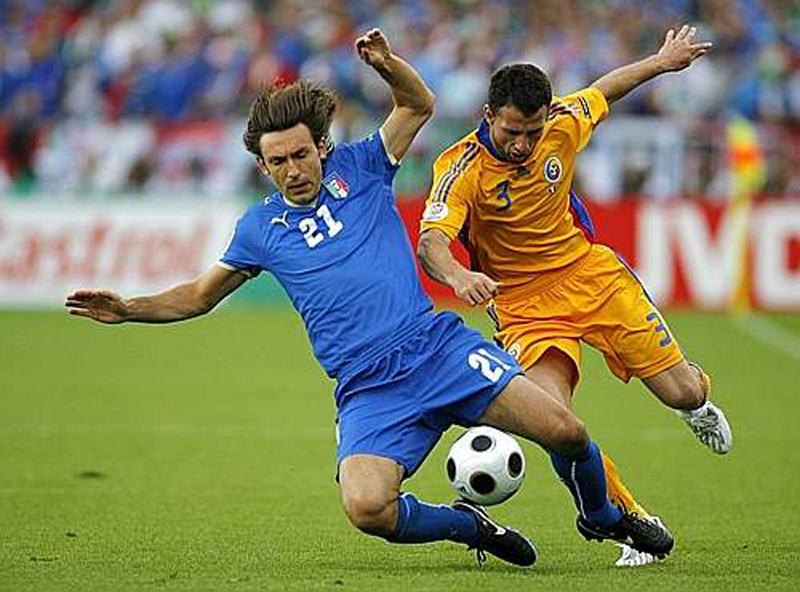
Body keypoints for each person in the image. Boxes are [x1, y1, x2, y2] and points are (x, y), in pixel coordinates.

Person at [65, 28, 673, 567]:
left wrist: (386, 65)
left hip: (434, 350)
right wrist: (127, 309)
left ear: (321, 147)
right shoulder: (258, 230)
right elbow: (197, 297)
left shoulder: (364, 167)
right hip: (368, 389)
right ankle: (469, 525)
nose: (292, 169)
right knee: (366, 508)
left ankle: (602, 515)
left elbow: (419, 103)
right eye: (277, 161)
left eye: (301, 154)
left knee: (566, 431)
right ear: (263, 164)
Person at [417, 25, 732, 567]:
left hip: (592, 277)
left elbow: (604, 90)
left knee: (680, 393)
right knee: (555, 424)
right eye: (513, 131)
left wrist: (661, 62)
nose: (523, 144)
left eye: (532, 132)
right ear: (488, 116)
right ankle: (628, 521)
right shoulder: (460, 168)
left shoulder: (561, 122)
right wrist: (458, 277)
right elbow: (431, 241)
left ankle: (696, 398)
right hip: (525, 307)